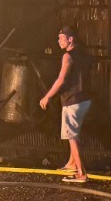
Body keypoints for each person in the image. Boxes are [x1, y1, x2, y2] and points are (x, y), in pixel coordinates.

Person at [38, 25, 89, 182]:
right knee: (72, 134)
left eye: (61, 38)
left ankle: (81, 173)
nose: (58, 40)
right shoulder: (82, 54)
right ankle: (72, 164)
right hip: (83, 98)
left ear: (70, 39)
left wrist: (47, 97)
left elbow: (61, 80)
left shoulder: (67, 56)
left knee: (72, 136)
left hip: (72, 99)